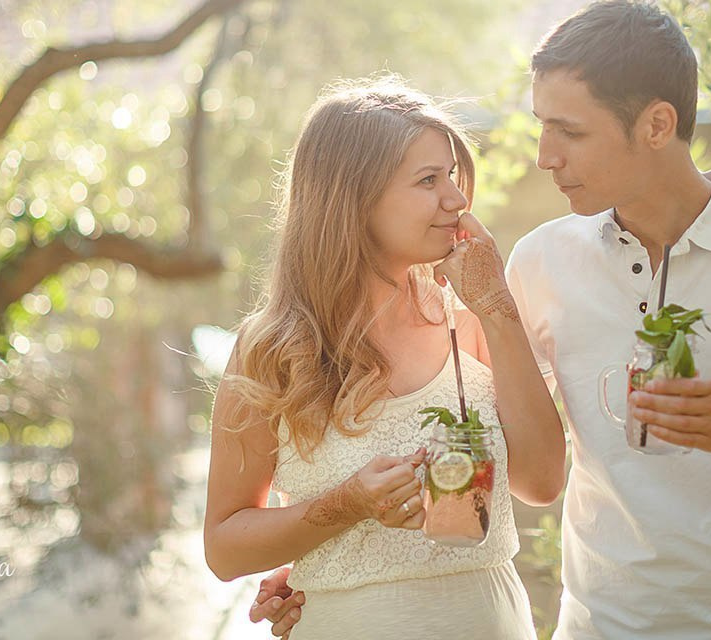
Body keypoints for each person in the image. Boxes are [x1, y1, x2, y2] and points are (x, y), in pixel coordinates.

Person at [251, 0, 711, 639]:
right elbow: (526, 470)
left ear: (655, 125)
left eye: (570, 131)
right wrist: (318, 566)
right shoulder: (540, 262)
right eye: (542, 125)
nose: (545, 156)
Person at [205, 81, 565, 640]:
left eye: (451, 174)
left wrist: (497, 309)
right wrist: (346, 505)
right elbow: (224, 549)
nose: (456, 199)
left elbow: (542, 481)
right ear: (352, 199)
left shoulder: (470, 318)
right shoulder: (271, 350)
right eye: (428, 180)